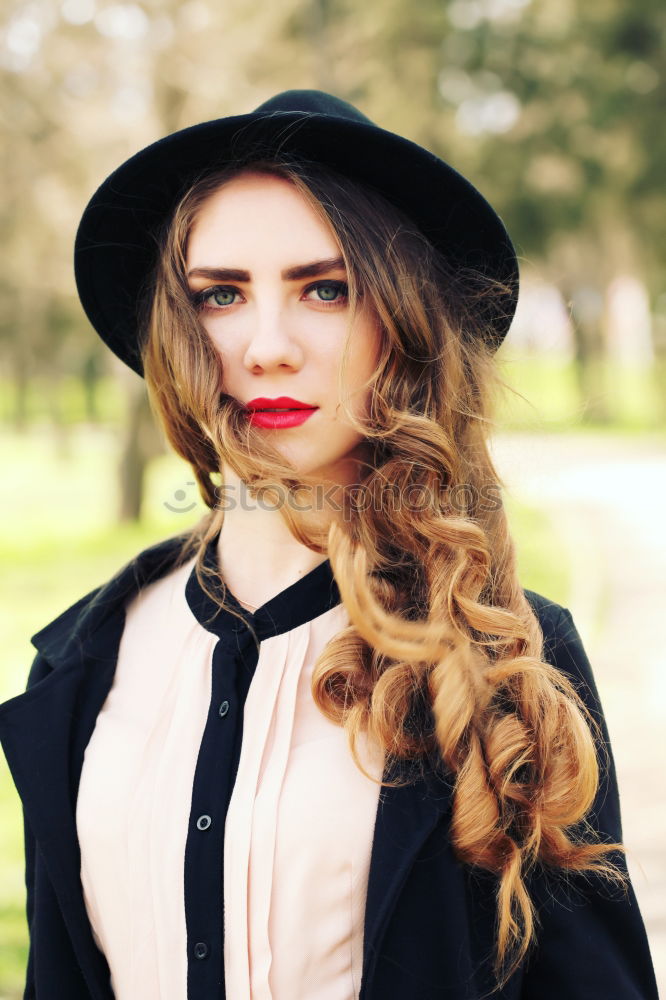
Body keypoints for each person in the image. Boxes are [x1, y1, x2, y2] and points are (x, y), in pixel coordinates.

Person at [0, 90, 658, 1000]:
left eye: (326, 288)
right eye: (220, 295)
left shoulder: (512, 659)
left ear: (404, 322)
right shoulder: (82, 664)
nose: (267, 347)